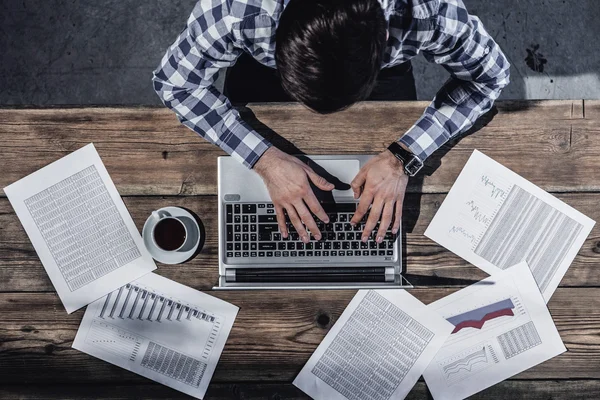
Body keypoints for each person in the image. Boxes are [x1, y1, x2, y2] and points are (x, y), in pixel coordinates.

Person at [153, 0, 510, 245]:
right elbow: (175, 82)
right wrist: (265, 160)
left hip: (379, 75)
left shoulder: (429, 13)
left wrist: (404, 156)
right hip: (263, 72)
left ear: (385, 35)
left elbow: (490, 78)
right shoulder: (237, 11)